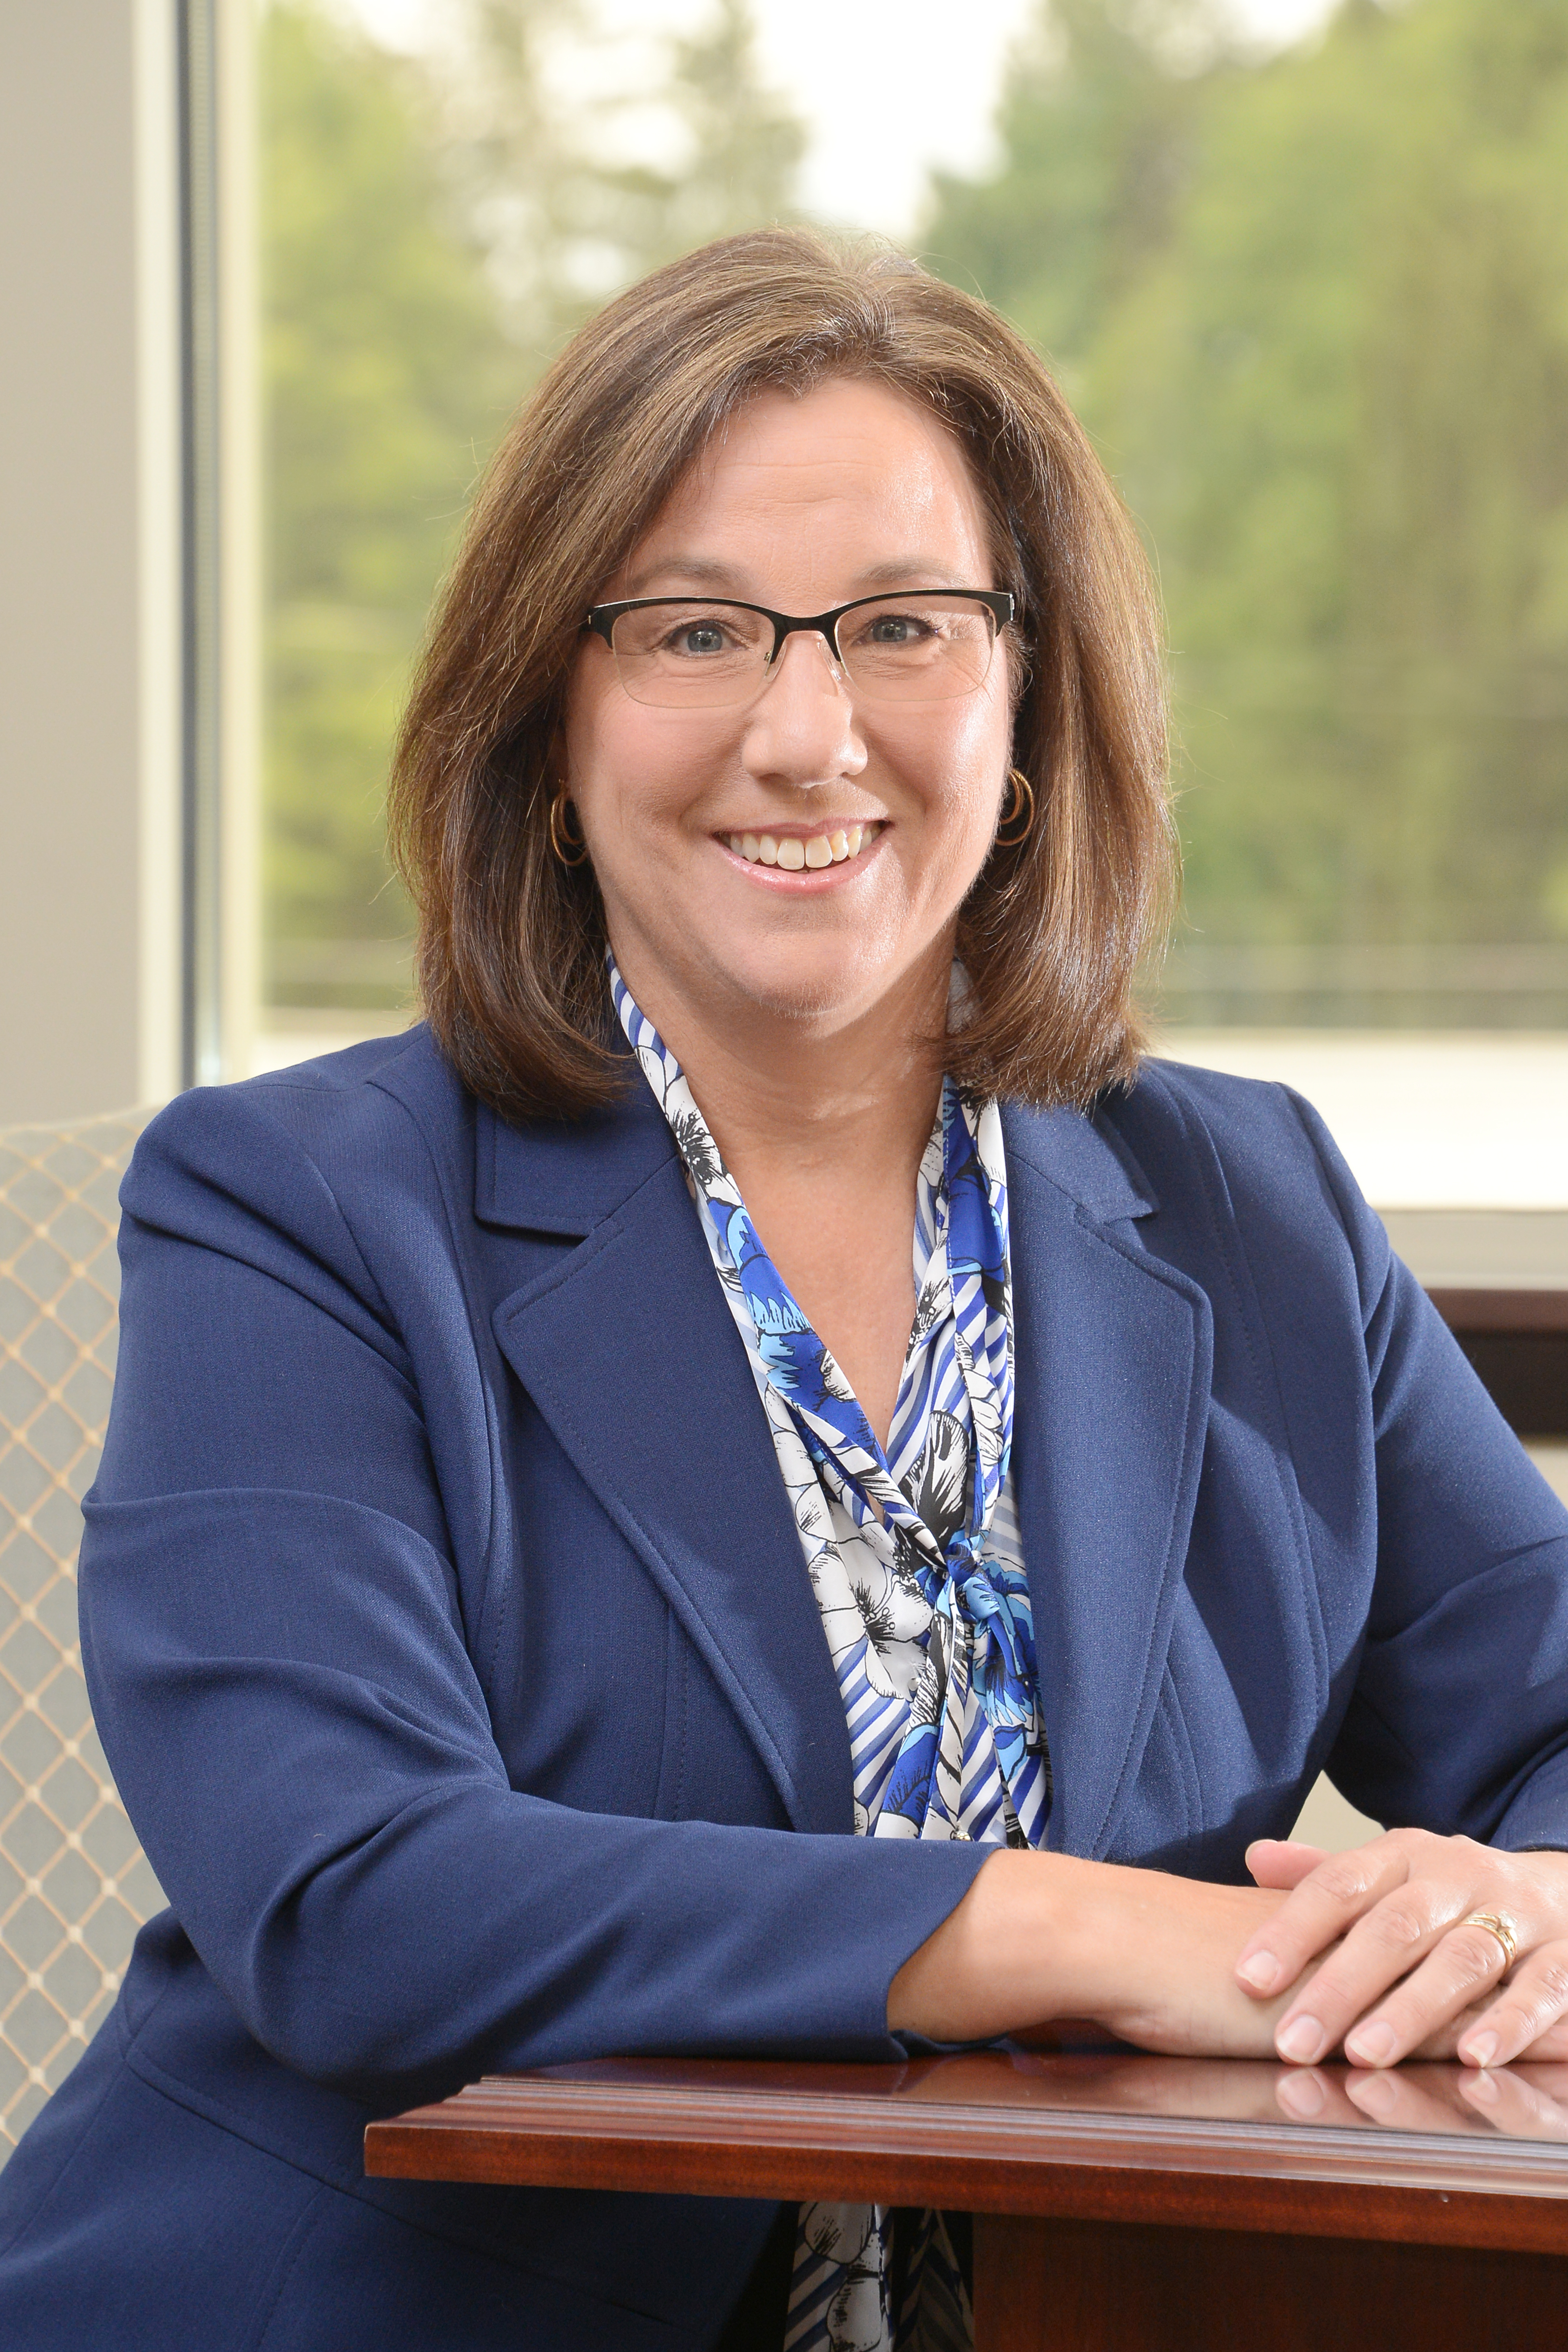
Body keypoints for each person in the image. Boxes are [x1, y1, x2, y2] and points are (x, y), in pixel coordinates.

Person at [1, 228, 1565, 2352]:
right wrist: (1060, 1925)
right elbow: (354, 1895)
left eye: (904, 626)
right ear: (552, 721)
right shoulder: (297, 1206)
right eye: (697, 630)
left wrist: (1528, 1909)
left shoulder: (1245, 1193)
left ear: (1029, 702)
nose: (806, 730)